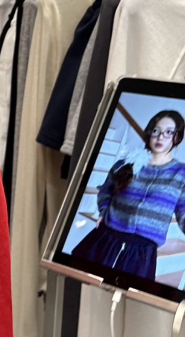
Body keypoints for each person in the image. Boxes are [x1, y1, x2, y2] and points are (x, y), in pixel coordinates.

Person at [72, 109, 185, 280]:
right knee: (83, 281)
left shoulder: (181, 173)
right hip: (107, 237)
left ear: (177, 137)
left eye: (169, 132)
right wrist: (103, 211)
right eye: (156, 131)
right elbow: (106, 190)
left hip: (142, 251)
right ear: (149, 133)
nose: (160, 137)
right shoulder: (126, 163)